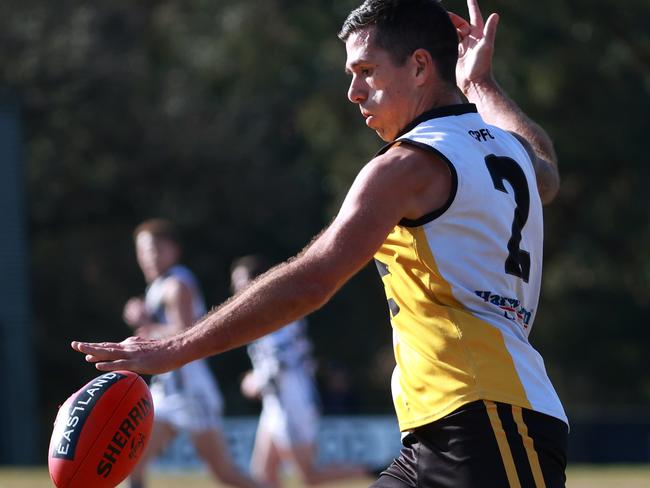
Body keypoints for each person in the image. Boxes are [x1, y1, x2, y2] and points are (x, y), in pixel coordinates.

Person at [73, 1, 568, 486]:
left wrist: (177, 347)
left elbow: (313, 278)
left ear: (420, 66)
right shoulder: (506, 148)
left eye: (366, 70)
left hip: (488, 420)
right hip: (447, 428)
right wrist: (482, 84)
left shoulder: (405, 167)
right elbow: (544, 174)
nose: (353, 91)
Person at [121, 219, 260, 488]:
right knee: (132, 461)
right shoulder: (158, 287)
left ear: (174, 250)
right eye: (143, 251)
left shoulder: (177, 285)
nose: (148, 257)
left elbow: (183, 335)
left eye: (155, 249)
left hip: (191, 392)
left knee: (225, 474)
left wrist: (145, 325)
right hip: (167, 390)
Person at [231, 255, 369, 488]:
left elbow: (282, 363)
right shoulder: (257, 318)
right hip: (276, 402)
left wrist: (254, 382)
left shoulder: (278, 313)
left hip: (293, 402)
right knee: (263, 474)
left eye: (243, 282)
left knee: (308, 476)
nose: (238, 290)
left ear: (261, 281)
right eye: (235, 284)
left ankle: (373, 471)